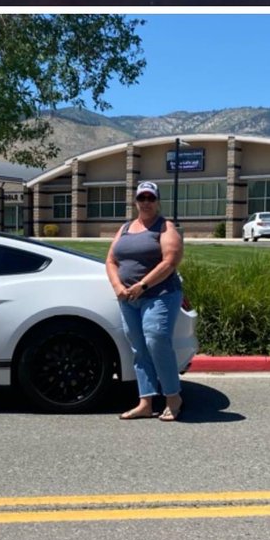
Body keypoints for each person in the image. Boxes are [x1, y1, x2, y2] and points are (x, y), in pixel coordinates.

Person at [105, 179, 186, 421]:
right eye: (142, 198)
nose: (146, 202)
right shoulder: (126, 228)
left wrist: (143, 285)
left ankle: (173, 397)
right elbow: (110, 261)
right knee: (139, 349)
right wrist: (118, 286)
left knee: (156, 340)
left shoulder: (165, 227)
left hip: (159, 295)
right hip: (128, 298)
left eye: (151, 198)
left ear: (158, 201)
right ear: (136, 201)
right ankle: (146, 402)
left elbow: (170, 261)